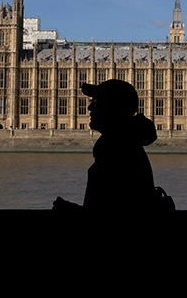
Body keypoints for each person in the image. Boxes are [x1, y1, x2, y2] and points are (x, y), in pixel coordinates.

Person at [53, 78, 163, 213]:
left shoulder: (118, 150)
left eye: (95, 102)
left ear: (112, 107)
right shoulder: (124, 142)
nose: (89, 107)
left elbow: (110, 217)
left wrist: (69, 212)